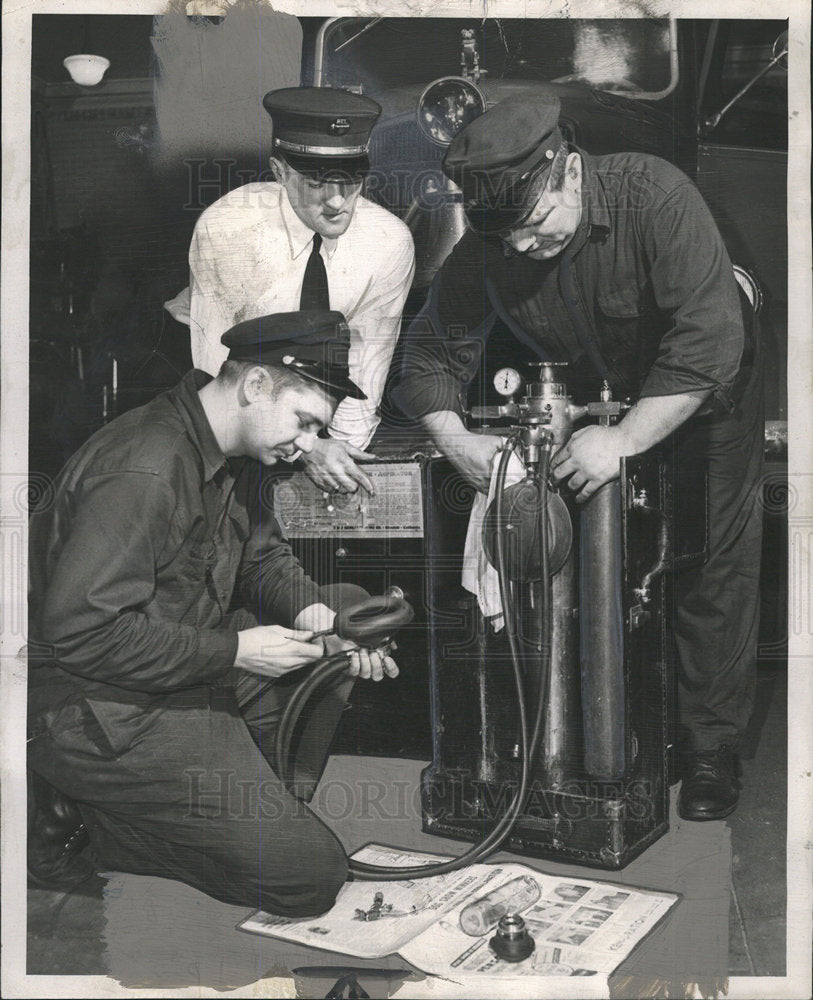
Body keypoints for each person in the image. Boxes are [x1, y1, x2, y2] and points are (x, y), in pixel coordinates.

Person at [394, 91, 764, 822]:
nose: (524, 250)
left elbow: (706, 346)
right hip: (612, 387)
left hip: (715, 375)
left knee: (704, 557)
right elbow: (427, 355)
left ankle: (708, 750)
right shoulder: (497, 243)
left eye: (534, 229)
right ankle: (614, 732)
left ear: (566, 171)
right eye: (508, 242)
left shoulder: (653, 195)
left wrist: (625, 439)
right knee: (603, 552)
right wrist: (454, 436)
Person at [27, 310, 398, 916]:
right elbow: (84, 635)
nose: (309, 445)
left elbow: (261, 563)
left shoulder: (241, 451)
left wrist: (329, 625)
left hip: (174, 668)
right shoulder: (146, 467)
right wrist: (237, 652)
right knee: (311, 880)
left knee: (347, 607)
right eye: (305, 422)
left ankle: (247, 808)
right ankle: (78, 820)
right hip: (95, 705)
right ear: (255, 386)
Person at [170, 86, 415, 495]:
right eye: (317, 182)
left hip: (320, 430)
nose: (338, 202)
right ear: (280, 171)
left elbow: (367, 362)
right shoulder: (228, 227)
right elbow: (217, 377)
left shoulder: (389, 242)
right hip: (238, 432)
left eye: (352, 180)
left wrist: (339, 457)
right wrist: (305, 449)